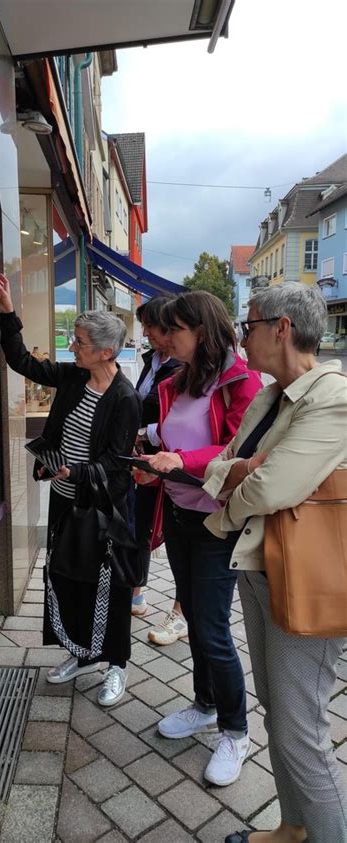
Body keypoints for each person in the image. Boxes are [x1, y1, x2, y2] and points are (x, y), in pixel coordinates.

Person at [203, 283, 347, 843]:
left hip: (306, 580)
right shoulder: (270, 396)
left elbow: (270, 487)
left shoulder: (331, 398)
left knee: (300, 733)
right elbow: (227, 465)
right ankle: (293, 828)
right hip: (261, 567)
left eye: (249, 325)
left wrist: (243, 480)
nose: (243, 336)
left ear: (281, 329)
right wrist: (243, 474)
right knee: (276, 714)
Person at [0, 274, 141, 707]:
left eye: (78, 342)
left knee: (106, 585)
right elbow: (23, 362)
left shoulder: (124, 399)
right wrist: (7, 313)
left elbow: (117, 464)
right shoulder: (74, 378)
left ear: (105, 351)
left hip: (100, 507)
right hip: (64, 499)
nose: (70, 347)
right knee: (65, 577)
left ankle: (116, 664)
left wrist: (75, 474)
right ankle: (81, 652)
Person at [136, 291, 262, 786]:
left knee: (211, 629)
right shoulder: (179, 379)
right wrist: (154, 466)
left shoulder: (242, 383)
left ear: (202, 331)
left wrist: (179, 463)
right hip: (181, 514)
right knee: (193, 618)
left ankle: (236, 731)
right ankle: (205, 705)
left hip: (216, 523)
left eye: (172, 330)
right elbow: (174, 441)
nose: (162, 338)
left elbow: (238, 451)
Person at [130, 297, 188, 647]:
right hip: (149, 457)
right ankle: (136, 592)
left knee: (180, 532)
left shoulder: (185, 365)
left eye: (150, 326)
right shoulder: (153, 359)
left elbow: (179, 422)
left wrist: (143, 433)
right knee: (140, 522)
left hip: (176, 460)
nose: (146, 332)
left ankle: (181, 614)